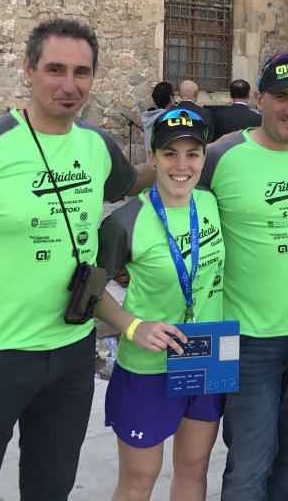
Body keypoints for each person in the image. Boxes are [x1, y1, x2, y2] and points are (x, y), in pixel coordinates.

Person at [0, 18, 153, 501]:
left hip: (73, 352)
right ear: (28, 71)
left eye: (82, 72)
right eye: (55, 69)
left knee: (51, 486)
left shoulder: (96, 144)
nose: (69, 85)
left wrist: (188, 159)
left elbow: (129, 180)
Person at [198, 51, 288, 500]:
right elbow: (173, 208)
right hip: (246, 339)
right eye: (281, 96)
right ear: (259, 98)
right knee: (248, 466)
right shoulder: (222, 156)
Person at [95, 108, 225, 501]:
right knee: (140, 480)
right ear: (152, 157)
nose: (182, 165)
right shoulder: (126, 221)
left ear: (204, 159)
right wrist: (134, 326)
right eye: (170, 154)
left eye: (192, 154)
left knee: (194, 470)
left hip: (207, 351)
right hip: (149, 364)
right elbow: (89, 292)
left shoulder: (211, 203)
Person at [142, 81, 176, 153]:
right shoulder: (167, 119)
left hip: (150, 160)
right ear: (170, 97)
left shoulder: (149, 116)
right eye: (174, 95)